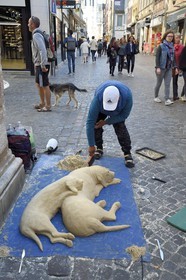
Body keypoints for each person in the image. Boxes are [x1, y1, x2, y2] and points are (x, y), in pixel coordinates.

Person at [86, 80, 134, 168]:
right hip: (101, 109)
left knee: (121, 129)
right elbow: (90, 122)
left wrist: (106, 122)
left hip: (118, 112)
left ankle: (127, 153)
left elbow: (123, 115)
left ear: (119, 98)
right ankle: (99, 148)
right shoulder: (97, 99)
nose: (109, 111)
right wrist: (91, 145)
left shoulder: (127, 97)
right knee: (96, 126)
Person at [28, 16, 51, 112]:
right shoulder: (38, 33)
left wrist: (42, 65)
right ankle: (42, 103)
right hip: (40, 64)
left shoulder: (36, 35)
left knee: (45, 85)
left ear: (33, 24)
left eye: (29, 23)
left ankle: (48, 105)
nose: (28, 24)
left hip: (42, 64)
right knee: (39, 84)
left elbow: (42, 50)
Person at [154, 30, 178, 106]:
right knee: (159, 83)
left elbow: (173, 58)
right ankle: (156, 96)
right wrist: (157, 67)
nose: (170, 38)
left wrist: (176, 67)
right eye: (169, 36)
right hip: (161, 67)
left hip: (169, 68)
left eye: (172, 36)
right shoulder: (161, 46)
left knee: (167, 84)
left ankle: (167, 99)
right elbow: (157, 57)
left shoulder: (172, 46)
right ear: (165, 36)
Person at [172, 33, 184, 100]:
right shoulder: (171, 46)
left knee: (175, 81)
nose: (177, 39)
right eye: (176, 37)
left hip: (178, 66)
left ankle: (175, 95)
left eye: (178, 37)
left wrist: (180, 68)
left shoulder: (182, 47)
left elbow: (182, 58)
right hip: (171, 66)